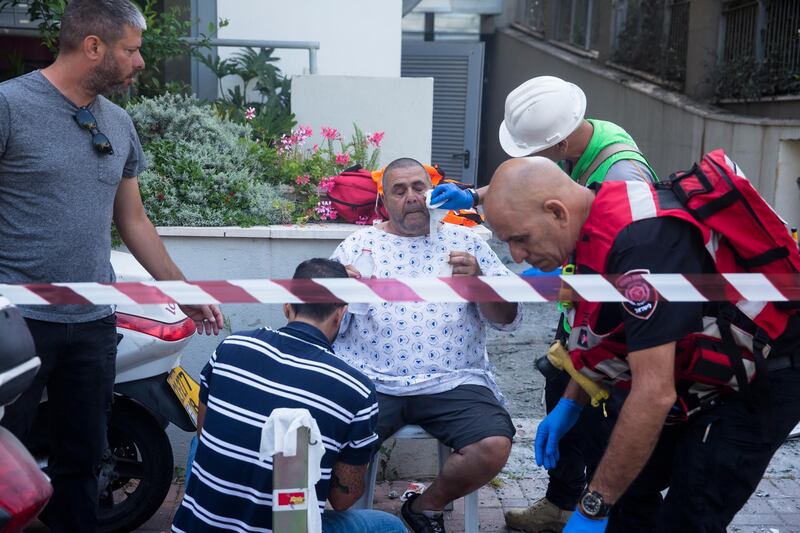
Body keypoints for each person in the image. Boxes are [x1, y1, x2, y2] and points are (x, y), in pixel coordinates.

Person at [483, 157, 800, 533]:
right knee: (629, 491)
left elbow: (653, 393)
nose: (517, 256)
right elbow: (606, 335)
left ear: (556, 212)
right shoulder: (596, 221)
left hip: (764, 377)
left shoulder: (642, 247)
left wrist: (592, 505)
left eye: (520, 239)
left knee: (688, 511)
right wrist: (572, 400)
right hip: (699, 370)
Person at [0, 1, 223, 530]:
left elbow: (135, 221)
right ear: (94, 46)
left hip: (94, 322)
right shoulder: (9, 105)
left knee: (83, 460)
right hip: (16, 324)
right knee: (6, 464)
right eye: (131, 49)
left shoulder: (118, 122)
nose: (140, 61)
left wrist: (183, 290)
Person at [433, 75, 657, 532]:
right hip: (583, 302)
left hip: (615, 306)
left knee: (602, 407)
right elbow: (539, 190)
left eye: (519, 242)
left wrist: (555, 272)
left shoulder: (621, 174)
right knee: (561, 380)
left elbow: (644, 370)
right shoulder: (581, 146)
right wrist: (477, 197)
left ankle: (597, 501)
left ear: (559, 141)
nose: (516, 253)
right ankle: (562, 500)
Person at [331, 157, 522, 533]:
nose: (412, 197)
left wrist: (481, 282)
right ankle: (347, 520)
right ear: (384, 201)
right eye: (399, 191)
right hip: (372, 383)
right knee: (340, 486)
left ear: (432, 193)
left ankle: (423, 506)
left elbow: (507, 320)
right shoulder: (356, 247)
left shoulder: (467, 244)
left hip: (453, 381)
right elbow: (322, 325)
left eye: (419, 187)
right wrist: (338, 291)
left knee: (494, 444)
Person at [172, 259, 406, 533]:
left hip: (197, 527)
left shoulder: (230, 348)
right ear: (341, 314)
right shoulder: (356, 388)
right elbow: (343, 499)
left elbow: (204, 429)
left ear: (287, 305)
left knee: (200, 443)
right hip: (287, 525)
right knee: (388, 526)